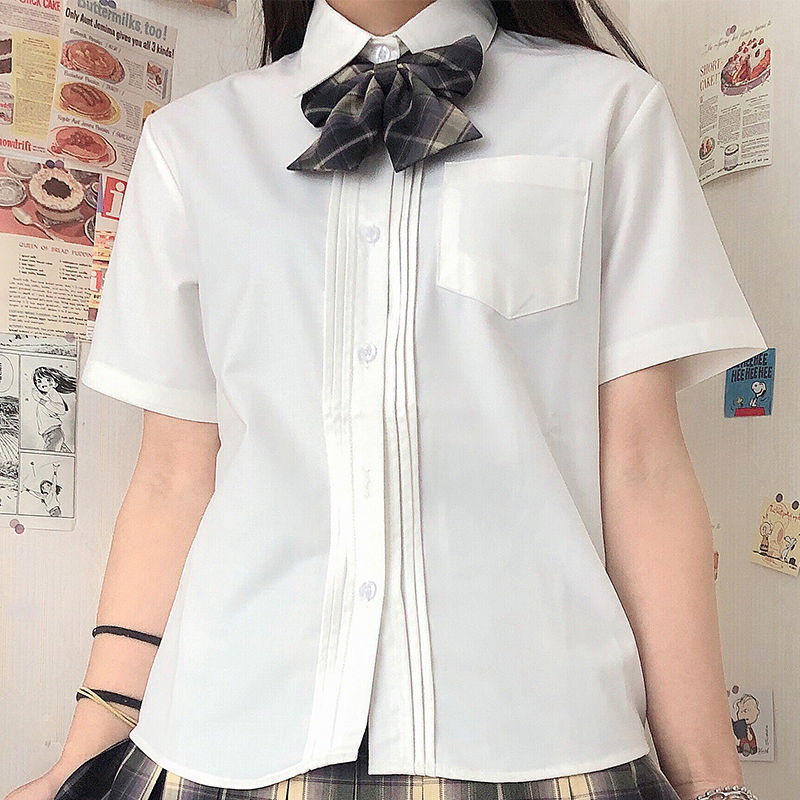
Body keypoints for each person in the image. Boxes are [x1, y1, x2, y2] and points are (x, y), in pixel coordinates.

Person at [5, 2, 767, 800]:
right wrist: (80, 756)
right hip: (224, 731)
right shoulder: (192, 142)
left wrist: (712, 783)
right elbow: (171, 478)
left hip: (538, 732)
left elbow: (642, 467)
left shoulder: (608, 110)